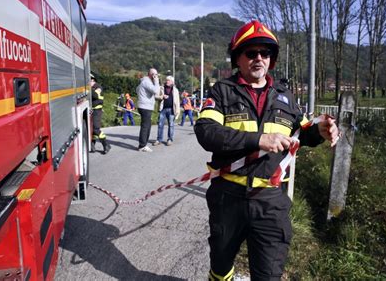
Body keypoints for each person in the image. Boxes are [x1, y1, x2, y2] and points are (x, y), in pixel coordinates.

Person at [194, 20, 339, 280]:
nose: (259, 58)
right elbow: (207, 132)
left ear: (271, 60)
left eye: (265, 53)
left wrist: (320, 131)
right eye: (251, 53)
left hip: (271, 202)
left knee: (269, 274)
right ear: (237, 58)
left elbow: (302, 133)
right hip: (229, 197)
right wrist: (259, 139)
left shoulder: (286, 96)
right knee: (220, 266)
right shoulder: (222, 91)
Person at [136, 68, 160, 152]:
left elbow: (137, 90)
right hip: (145, 107)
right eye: (156, 75)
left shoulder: (144, 82)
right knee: (145, 126)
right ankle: (142, 145)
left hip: (144, 106)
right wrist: (156, 81)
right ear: (152, 75)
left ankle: (143, 144)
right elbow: (156, 90)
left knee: (147, 126)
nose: (157, 76)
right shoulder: (146, 81)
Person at [153, 75, 180, 146]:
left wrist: (177, 111)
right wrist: (162, 96)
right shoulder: (161, 88)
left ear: (172, 82)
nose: (167, 81)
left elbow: (177, 102)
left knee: (171, 125)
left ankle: (170, 139)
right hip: (163, 109)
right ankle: (159, 140)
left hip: (171, 109)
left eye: (168, 80)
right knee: (160, 124)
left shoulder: (175, 90)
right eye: (166, 80)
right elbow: (155, 96)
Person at [90, 74, 111, 154]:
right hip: (92, 111)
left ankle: (106, 145)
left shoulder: (98, 87)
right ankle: (92, 145)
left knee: (96, 129)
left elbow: (95, 95)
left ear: (92, 80)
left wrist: (89, 88)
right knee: (92, 129)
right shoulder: (92, 87)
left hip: (97, 111)